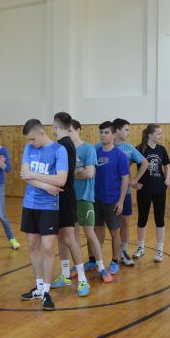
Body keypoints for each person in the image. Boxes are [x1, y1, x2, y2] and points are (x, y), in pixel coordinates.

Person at [19, 119, 68, 311]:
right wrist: (46, 186)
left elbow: (61, 180)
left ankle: (47, 291)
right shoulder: (29, 148)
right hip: (30, 204)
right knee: (33, 246)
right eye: (29, 140)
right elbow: (25, 176)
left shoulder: (59, 150)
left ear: (41, 132)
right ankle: (39, 287)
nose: (31, 142)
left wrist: (34, 176)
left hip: (49, 206)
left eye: (33, 139)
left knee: (48, 248)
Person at [96, 118, 148, 266]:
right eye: (126, 130)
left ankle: (123, 252)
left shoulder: (128, 148)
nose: (128, 133)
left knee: (124, 221)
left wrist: (134, 180)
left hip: (124, 194)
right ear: (117, 131)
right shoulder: (98, 147)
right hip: (104, 194)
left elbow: (144, 163)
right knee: (101, 225)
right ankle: (99, 257)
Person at [49, 112, 90, 297]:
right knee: (61, 238)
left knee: (70, 239)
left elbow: (62, 177)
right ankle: (65, 274)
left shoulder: (64, 145)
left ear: (55, 125)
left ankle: (82, 279)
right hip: (58, 197)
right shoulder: (64, 144)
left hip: (65, 198)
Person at [69, 119, 112, 282]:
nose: (68, 134)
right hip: (69, 198)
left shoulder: (88, 149)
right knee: (73, 235)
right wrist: (78, 171)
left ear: (78, 130)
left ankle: (101, 267)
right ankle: (78, 266)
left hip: (85, 198)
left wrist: (72, 173)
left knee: (90, 233)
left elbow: (89, 173)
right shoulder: (65, 150)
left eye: (70, 130)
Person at [94, 121, 130, 276]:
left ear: (114, 135)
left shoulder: (120, 155)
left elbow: (125, 179)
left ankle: (115, 261)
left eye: (106, 132)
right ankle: (99, 261)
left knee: (115, 233)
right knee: (98, 231)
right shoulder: (95, 153)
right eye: (101, 132)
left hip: (112, 201)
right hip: (96, 200)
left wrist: (121, 201)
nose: (103, 135)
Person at [134, 124, 170, 262]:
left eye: (161, 133)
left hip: (160, 189)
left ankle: (160, 250)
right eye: (158, 133)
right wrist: (133, 182)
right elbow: (127, 165)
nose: (161, 136)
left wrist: (167, 178)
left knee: (159, 219)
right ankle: (140, 248)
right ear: (150, 135)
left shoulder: (161, 149)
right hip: (144, 189)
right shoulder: (139, 149)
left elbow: (167, 165)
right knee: (142, 218)